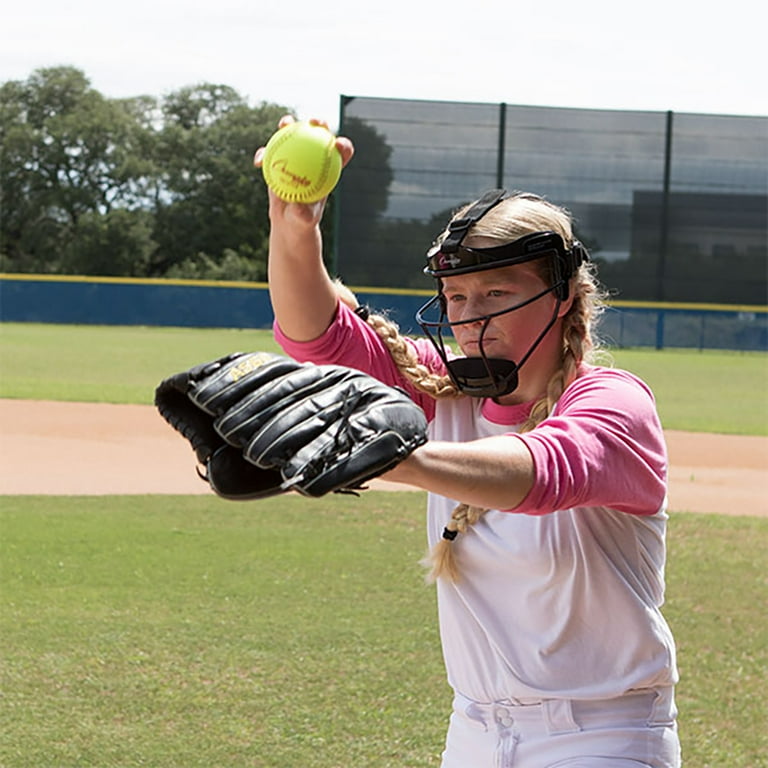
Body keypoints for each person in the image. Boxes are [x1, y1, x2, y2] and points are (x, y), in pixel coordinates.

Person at [255, 117, 681, 768]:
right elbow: (319, 337)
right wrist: (293, 228)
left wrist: (393, 455)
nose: (470, 317)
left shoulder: (612, 402)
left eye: (495, 292)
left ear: (562, 295)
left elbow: (542, 470)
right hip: (476, 733)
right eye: (455, 295)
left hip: (603, 735)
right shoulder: (443, 389)